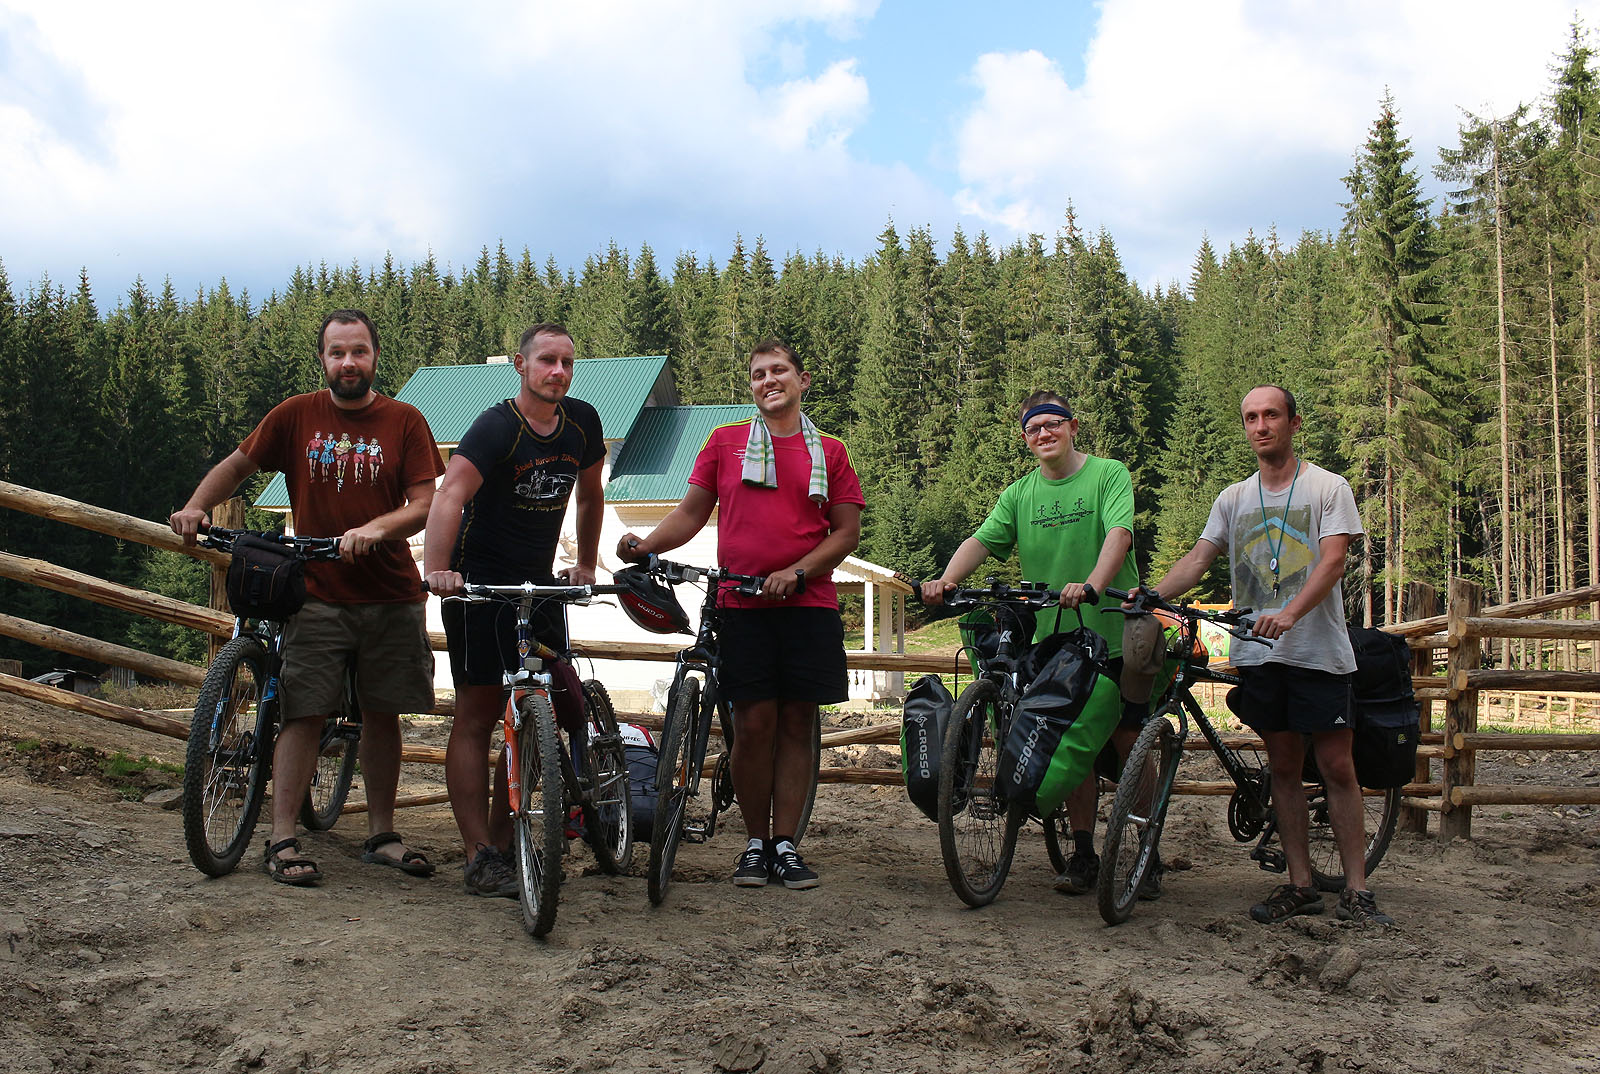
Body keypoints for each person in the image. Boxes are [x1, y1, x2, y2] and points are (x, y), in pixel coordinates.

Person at [171, 309, 444, 885]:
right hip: (314, 591)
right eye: (337, 352)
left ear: (375, 356)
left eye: (359, 351)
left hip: (390, 593)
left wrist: (377, 529)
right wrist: (197, 506)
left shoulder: (405, 421)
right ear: (322, 359)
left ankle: (381, 834)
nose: (349, 362)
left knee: (382, 714)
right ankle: (283, 838)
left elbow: (425, 504)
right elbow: (239, 464)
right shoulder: (295, 415)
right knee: (302, 711)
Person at [617, 339, 862, 890]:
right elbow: (690, 513)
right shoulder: (724, 443)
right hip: (742, 604)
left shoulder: (832, 451)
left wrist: (797, 573)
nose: (768, 381)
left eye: (779, 371)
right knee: (752, 727)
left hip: (808, 605)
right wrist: (646, 546)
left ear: (802, 380)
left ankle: (785, 845)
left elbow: (846, 533)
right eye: (758, 374)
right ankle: (755, 843)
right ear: (751, 385)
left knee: (799, 722)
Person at [1143, 385, 1393, 925]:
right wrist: (1150, 597)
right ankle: (1300, 884)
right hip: (1259, 656)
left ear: (1293, 423)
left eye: (1271, 415)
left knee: (1336, 766)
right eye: (1252, 417)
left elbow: (1332, 563)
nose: (1261, 426)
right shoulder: (1234, 498)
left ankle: (1356, 888)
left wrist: (1290, 614)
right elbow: (1198, 559)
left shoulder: (1328, 487)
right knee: (1283, 764)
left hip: (1319, 651)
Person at [920, 390, 1143, 897]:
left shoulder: (1108, 474)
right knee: (1071, 743)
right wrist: (947, 580)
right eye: (1033, 428)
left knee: (1128, 744)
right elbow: (982, 540)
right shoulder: (1020, 494)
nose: (1044, 433)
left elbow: (1120, 535)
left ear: (1073, 426)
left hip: (1112, 631)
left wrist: (1091, 583)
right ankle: (1084, 851)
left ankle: (1140, 845)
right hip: (1056, 640)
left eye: (1053, 424)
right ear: (1025, 438)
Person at [421, 323, 605, 898]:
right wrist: (440, 569)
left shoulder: (582, 423)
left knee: (533, 713)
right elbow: (449, 495)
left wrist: (587, 565)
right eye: (547, 361)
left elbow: (591, 493)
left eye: (567, 362)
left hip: (539, 588)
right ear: (522, 366)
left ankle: (507, 845)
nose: (558, 371)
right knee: (477, 714)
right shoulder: (498, 427)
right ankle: (478, 853)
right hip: (479, 588)